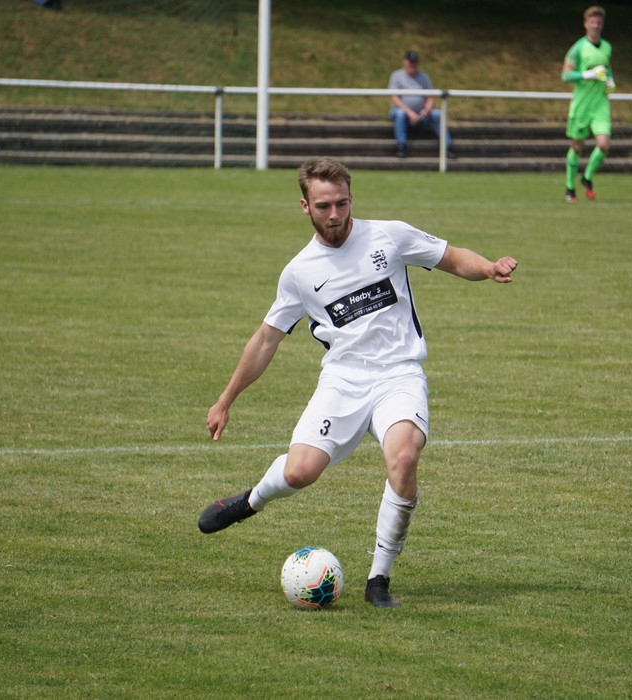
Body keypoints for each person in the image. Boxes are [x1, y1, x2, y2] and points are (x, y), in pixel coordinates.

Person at [198, 157, 517, 608]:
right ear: (305, 207)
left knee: (404, 458)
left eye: (342, 204)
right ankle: (251, 500)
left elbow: (451, 256)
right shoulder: (299, 272)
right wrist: (225, 399)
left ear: (351, 199)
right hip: (343, 380)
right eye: (323, 206)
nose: (334, 215)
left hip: (399, 373)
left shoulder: (389, 235)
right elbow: (266, 339)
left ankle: (378, 580)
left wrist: (488, 267)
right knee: (300, 472)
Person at [562, 5, 615, 202]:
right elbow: (565, 75)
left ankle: (587, 177)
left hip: (600, 104)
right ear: (585, 24)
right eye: (592, 22)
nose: (595, 25)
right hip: (582, 104)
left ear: (602, 25)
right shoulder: (578, 48)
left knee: (604, 144)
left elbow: (608, 68)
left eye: (598, 22)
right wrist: (587, 74)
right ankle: (570, 187)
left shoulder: (607, 47)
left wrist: (610, 81)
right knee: (577, 147)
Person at [388, 51, 456, 159]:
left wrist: (427, 109)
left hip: (421, 114)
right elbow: (395, 98)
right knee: (400, 114)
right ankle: (401, 146)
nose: (412, 65)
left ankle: (447, 147)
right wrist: (409, 113)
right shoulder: (396, 76)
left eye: (415, 62)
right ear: (405, 62)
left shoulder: (424, 77)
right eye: (410, 62)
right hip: (404, 113)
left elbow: (430, 97)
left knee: (438, 114)